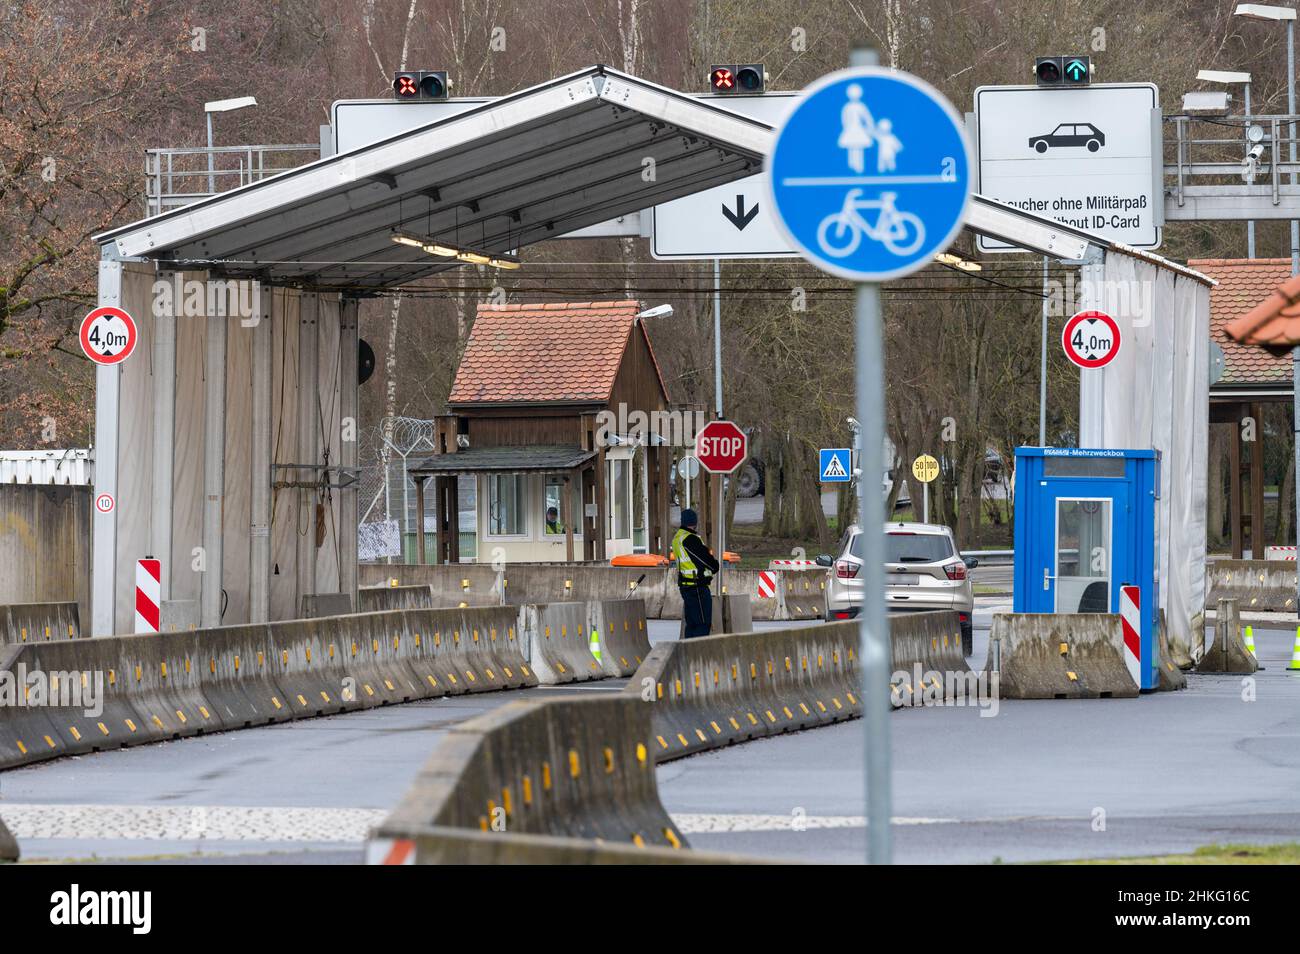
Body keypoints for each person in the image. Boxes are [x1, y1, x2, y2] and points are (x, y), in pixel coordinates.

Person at [671, 508, 720, 638]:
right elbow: (706, 560)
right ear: (694, 522)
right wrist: (715, 566)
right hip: (697, 587)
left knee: (692, 624)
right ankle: (697, 655)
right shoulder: (690, 539)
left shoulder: (677, 538)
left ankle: (688, 654)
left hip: (686, 586)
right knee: (703, 624)